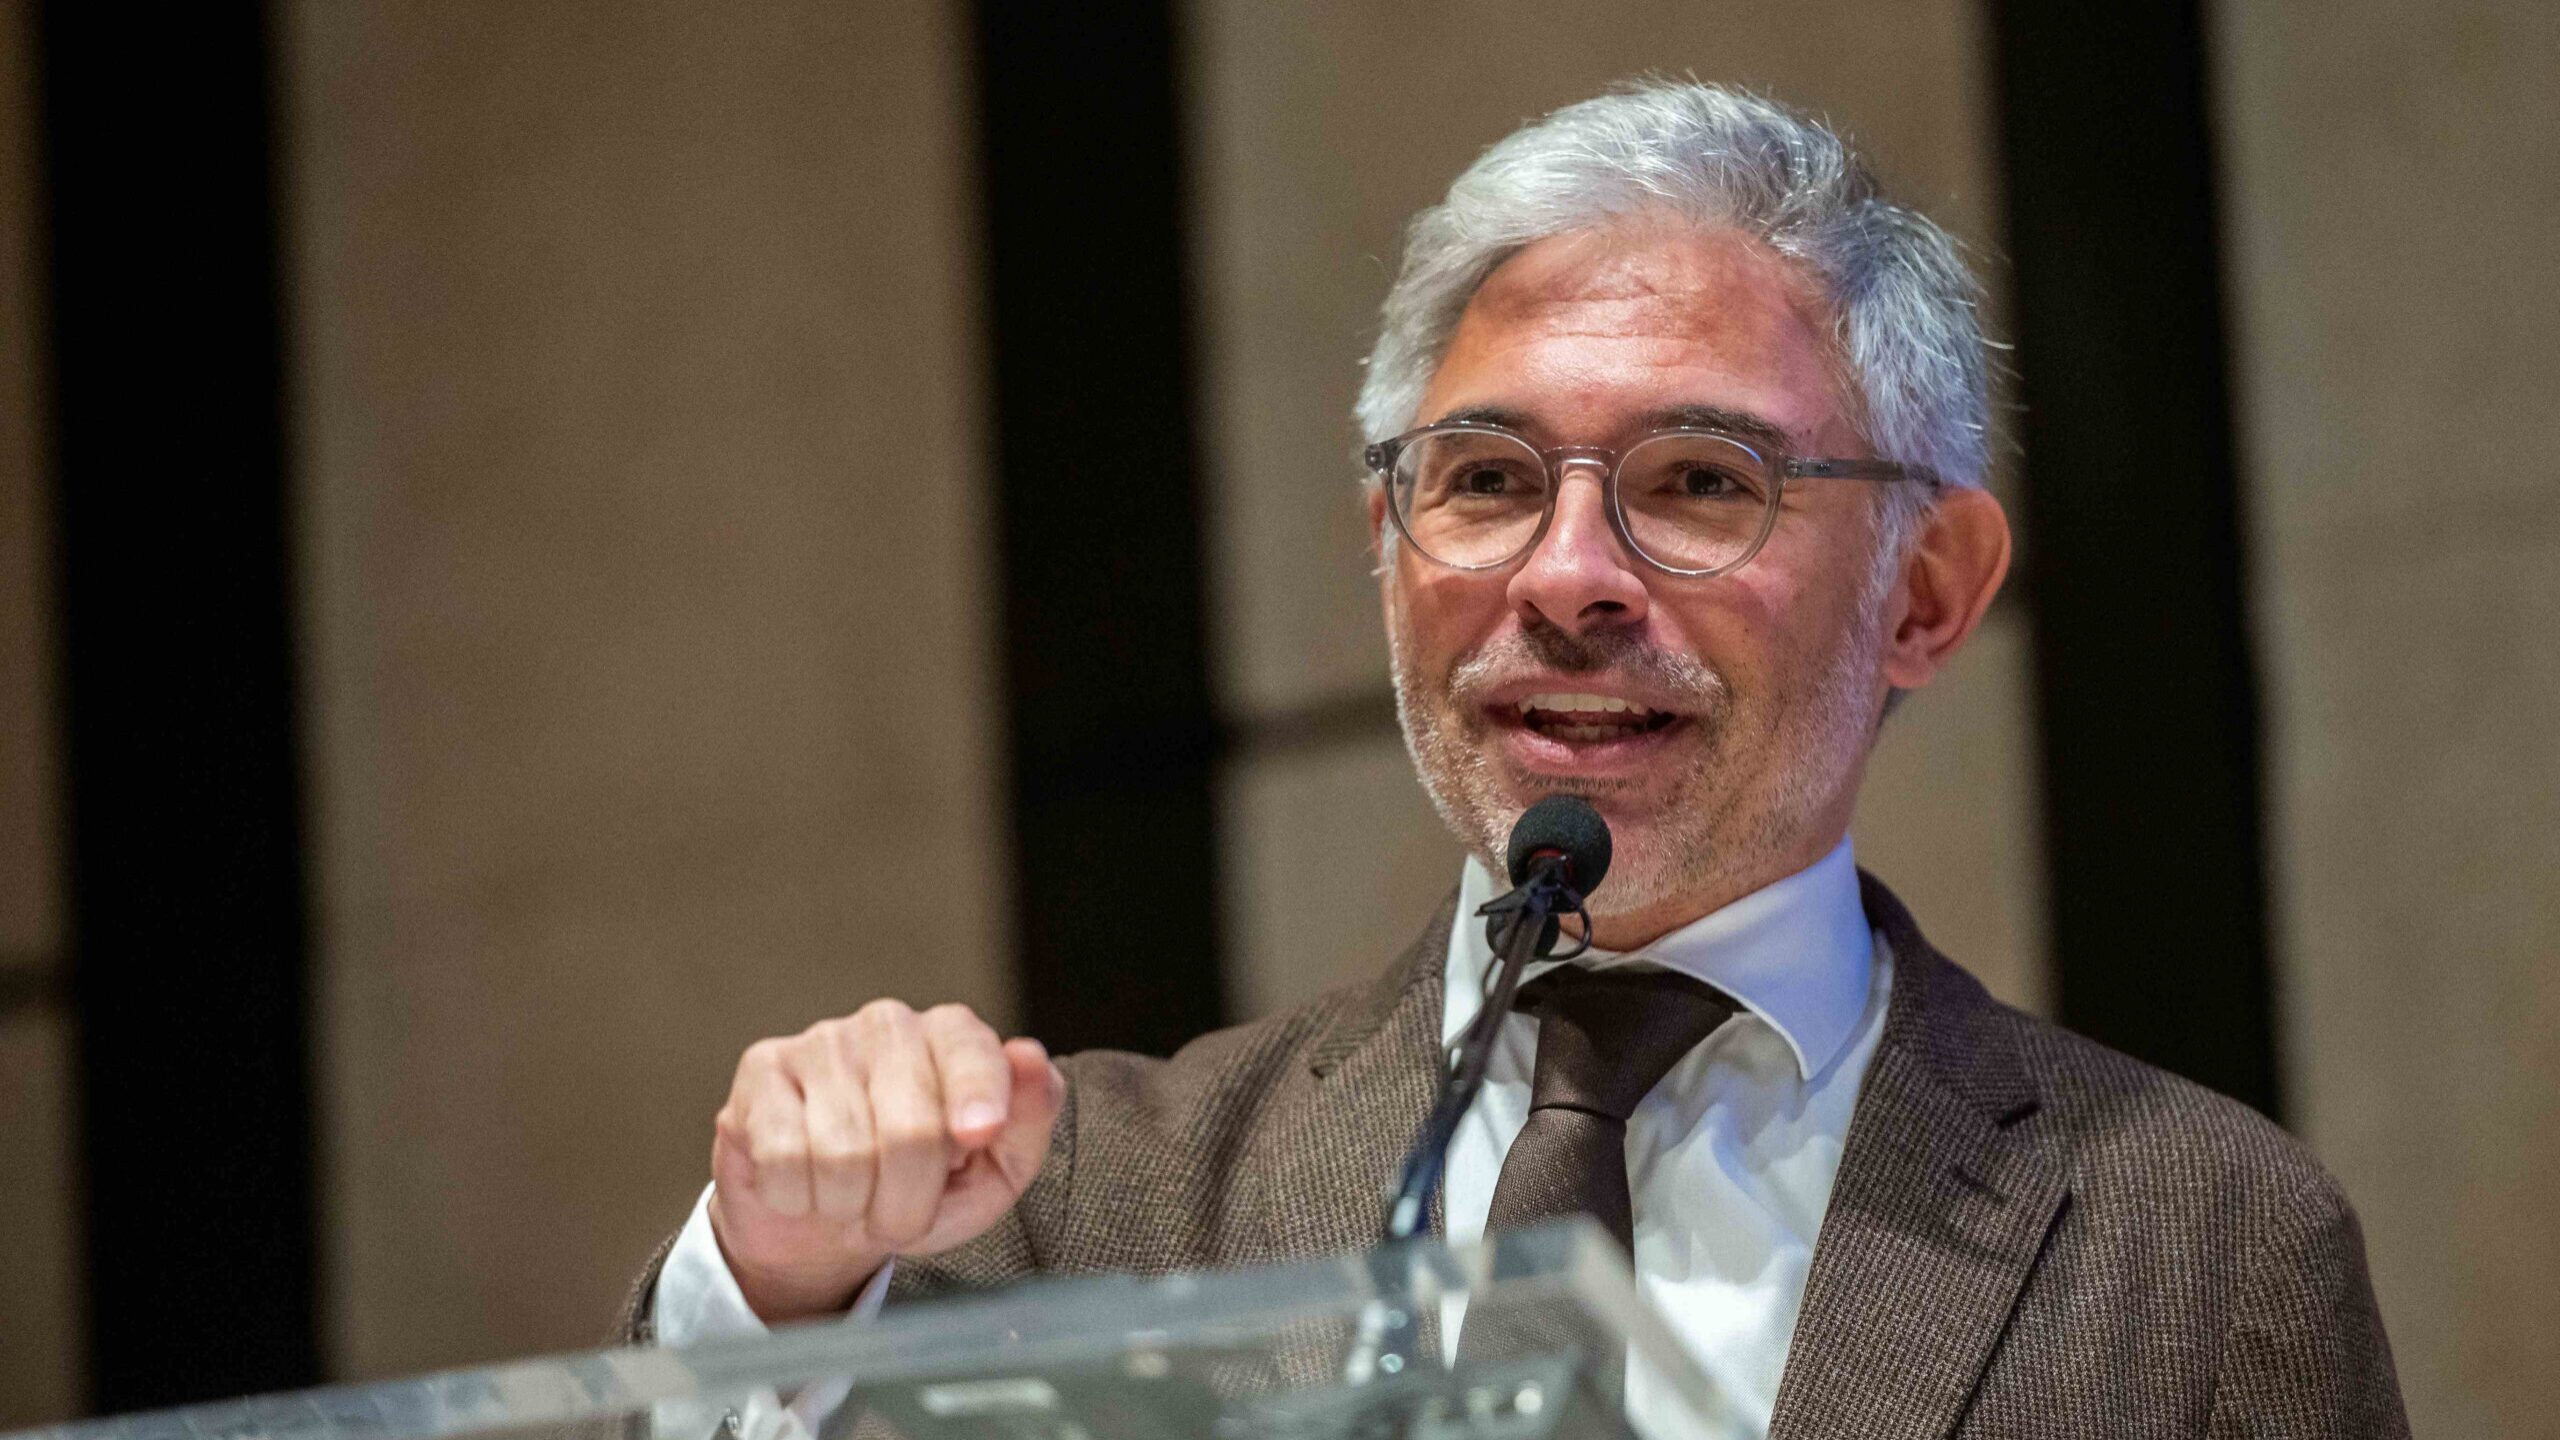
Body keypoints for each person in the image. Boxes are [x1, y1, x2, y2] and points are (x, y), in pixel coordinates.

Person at [624, 82, 2407, 1438]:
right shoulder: (1082, 1197)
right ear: (1386, 548)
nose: (1565, 579)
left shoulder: (2204, 1242)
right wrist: (779, 1287)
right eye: (1484, 481)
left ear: (1925, 591)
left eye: (1699, 481)